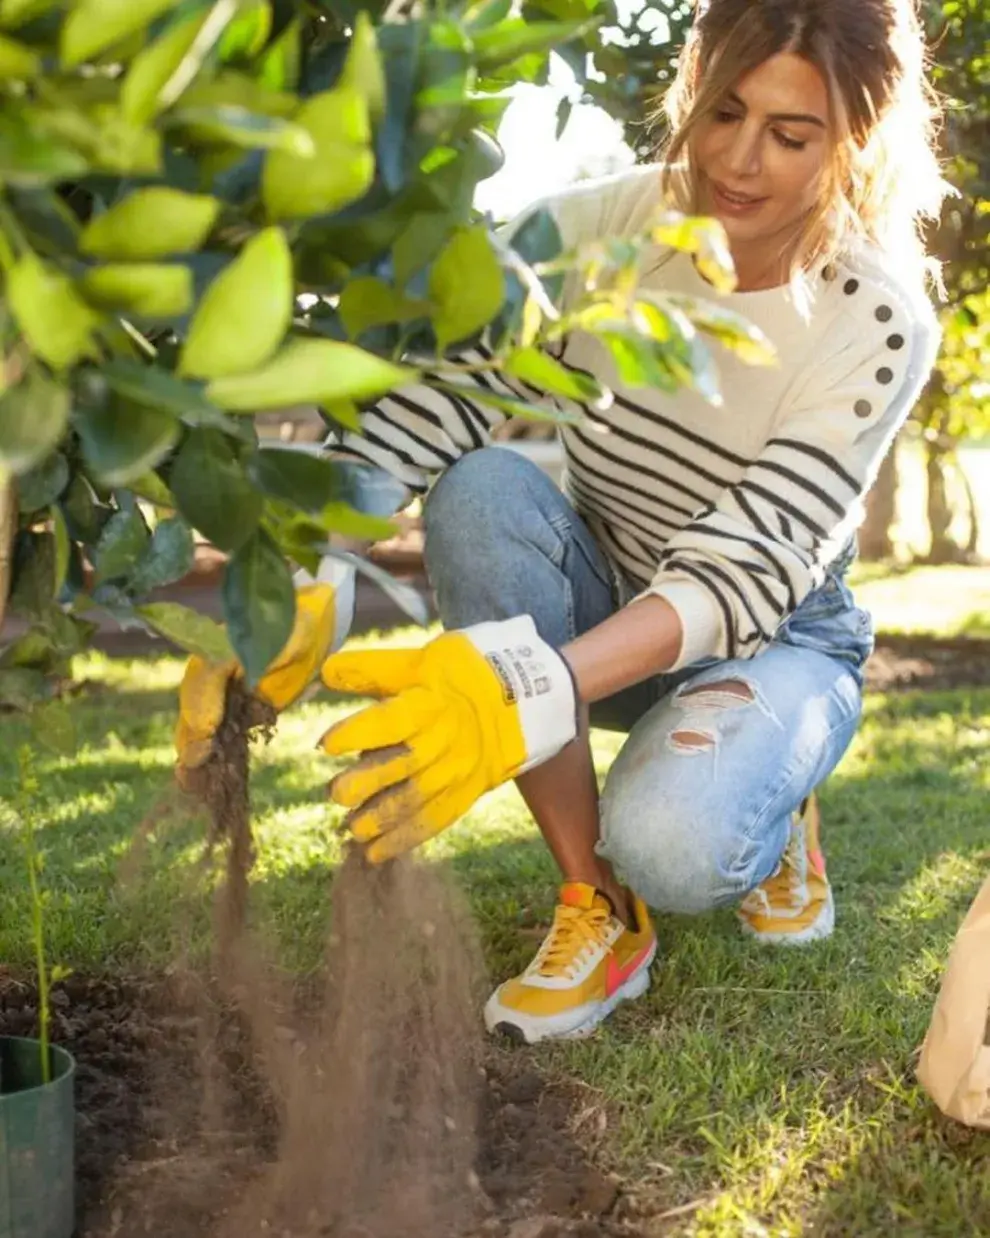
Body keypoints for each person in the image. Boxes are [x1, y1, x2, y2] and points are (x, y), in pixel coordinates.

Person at [176, 0, 946, 1044]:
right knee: (482, 486)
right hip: (611, 596)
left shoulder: (879, 316)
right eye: (723, 111)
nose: (739, 160)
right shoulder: (608, 228)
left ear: (855, 143)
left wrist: (521, 688)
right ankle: (596, 903)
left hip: (774, 641)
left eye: (791, 134)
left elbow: (742, 568)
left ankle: (774, 799)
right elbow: (443, 394)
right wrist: (302, 565)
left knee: (674, 842)